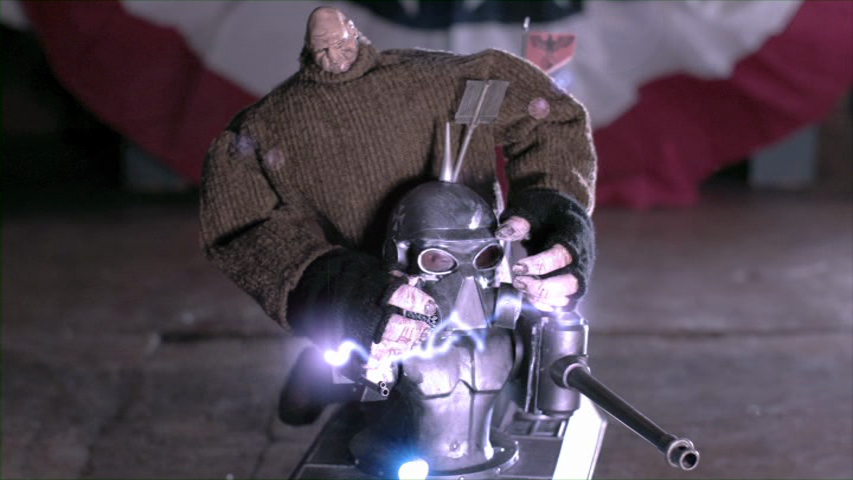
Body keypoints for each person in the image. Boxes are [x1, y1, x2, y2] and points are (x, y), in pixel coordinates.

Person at [199, 7, 597, 383]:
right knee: (360, 384)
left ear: (356, 35)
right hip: (375, 301)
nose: (334, 55)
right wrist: (331, 289)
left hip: (485, 271)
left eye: (340, 43)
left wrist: (554, 209)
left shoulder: (450, 83)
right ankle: (317, 383)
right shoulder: (269, 125)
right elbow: (241, 225)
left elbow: (547, 118)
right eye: (323, 48)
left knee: (525, 375)